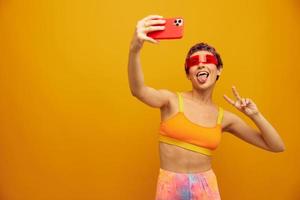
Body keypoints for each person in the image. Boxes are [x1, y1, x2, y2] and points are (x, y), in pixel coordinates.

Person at [127, 14, 285, 200]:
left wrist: (255, 115)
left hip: (206, 191)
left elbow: (276, 146)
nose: (201, 64)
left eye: (207, 60)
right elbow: (138, 90)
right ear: (188, 74)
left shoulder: (224, 118)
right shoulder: (170, 101)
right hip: (170, 189)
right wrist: (134, 49)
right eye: (194, 63)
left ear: (218, 70)